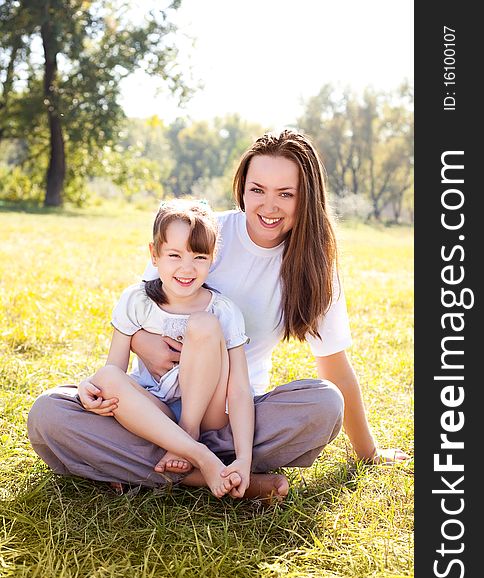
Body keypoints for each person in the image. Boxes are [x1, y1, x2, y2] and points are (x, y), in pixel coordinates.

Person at [27, 129, 407, 502]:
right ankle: (208, 472)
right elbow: (141, 308)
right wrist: (144, 346)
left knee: (324, 403)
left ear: (306, 197)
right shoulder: (201, 234)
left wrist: (367, 452)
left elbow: (334, 366)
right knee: (49, 413)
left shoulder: (313, 266)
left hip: (231, 419)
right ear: (242, 187)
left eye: (285, 194)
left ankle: (155, 464)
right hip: (152, 407)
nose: (268, 206)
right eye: (257, 189)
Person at [80, 201, 254, 498]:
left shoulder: (223, 311)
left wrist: (245, 460)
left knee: (204, 325)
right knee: (106, 377)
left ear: (212, 259)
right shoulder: (136, 301)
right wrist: (90, 386)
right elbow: (114, 369)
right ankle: (201, 458)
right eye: (174, 255)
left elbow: (238, 390)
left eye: (199, 257)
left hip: (207, 415)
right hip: (154, 408)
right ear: (154, 254)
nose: (187, 268)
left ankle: (186, 435)